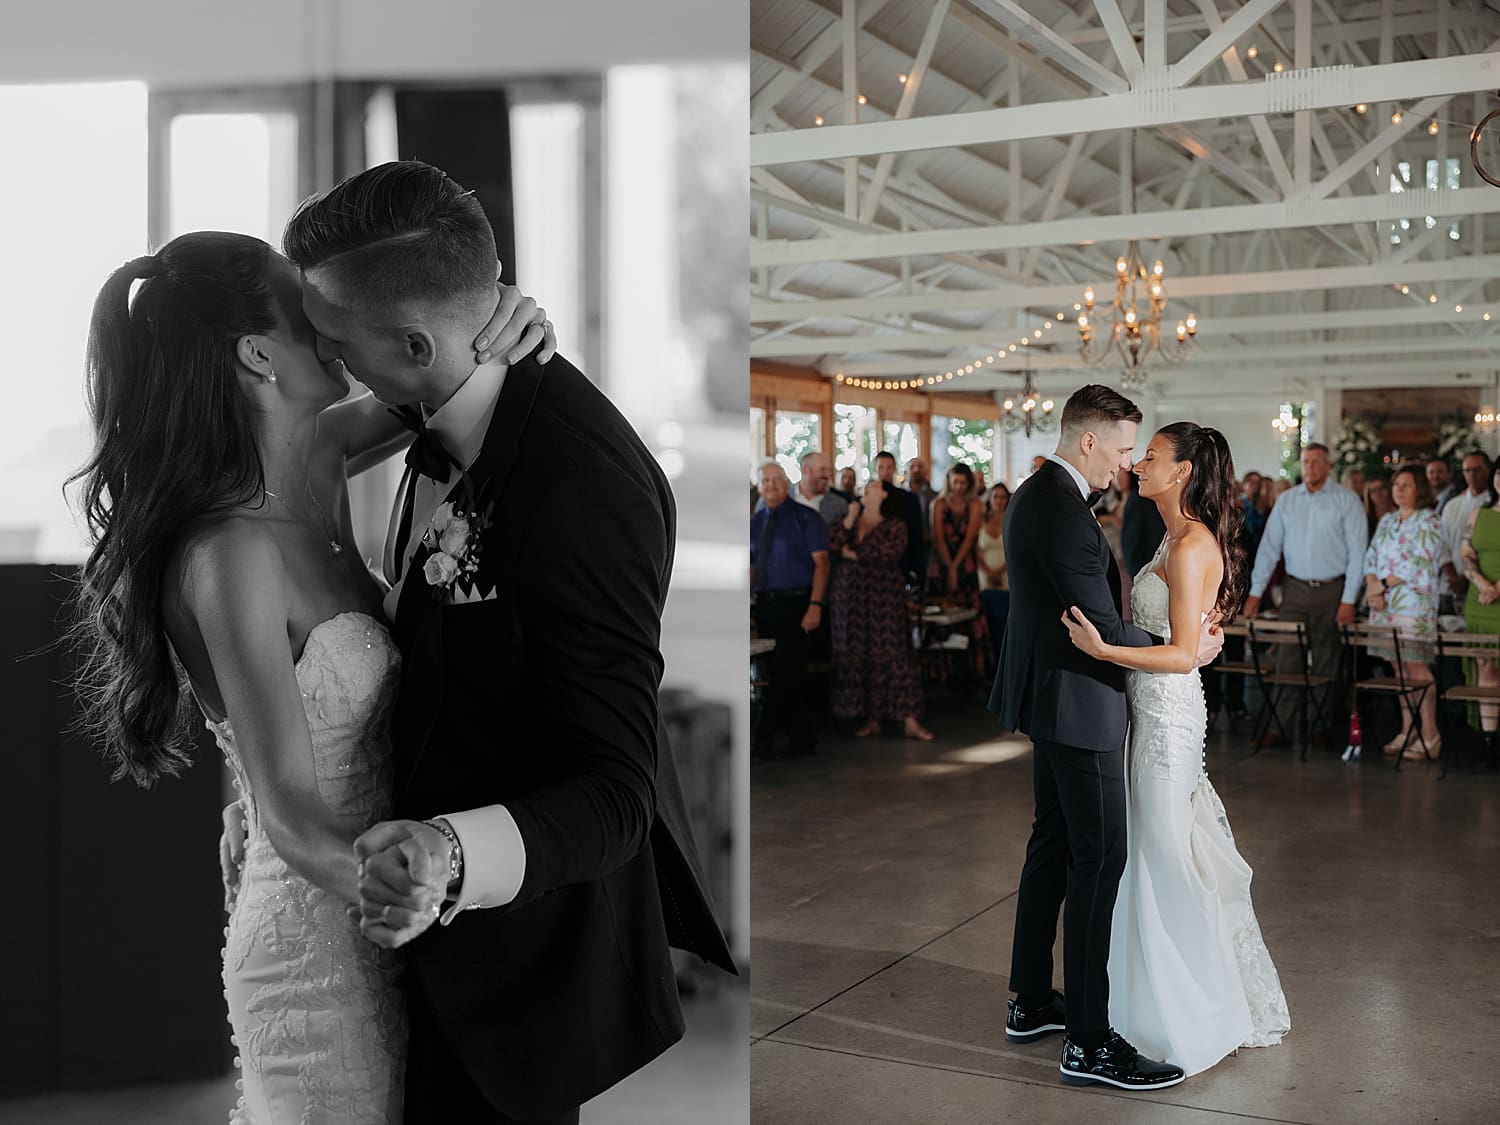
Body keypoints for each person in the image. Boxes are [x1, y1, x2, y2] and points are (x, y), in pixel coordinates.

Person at [67, 220, 578, 1122]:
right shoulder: (228, 553)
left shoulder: (321, 457)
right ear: (259, 353)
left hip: (391, 916)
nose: (328, 313)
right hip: (321, 946)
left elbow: (434, 358)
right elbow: (297, 819)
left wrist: (512, 315)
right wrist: (427, 886)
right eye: (304, 303)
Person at [289, 161, 734, 1123]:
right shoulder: (435, 396)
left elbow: (618, 791)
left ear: (414, 342)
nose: (329, 369)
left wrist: (450, 856)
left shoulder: (585, 486)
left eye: (336, 346)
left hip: (512, 974)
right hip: (403, 951)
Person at [990, 384, 1223, 1092]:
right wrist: (1184, 647)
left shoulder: (1038, 493)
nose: (1125, 464)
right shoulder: (1062, 511)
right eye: (1123, 448)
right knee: (1100, 859)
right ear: (1088, 439)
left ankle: (1031, 999)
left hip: (1051, 698)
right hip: (1080, 704)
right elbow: (1094, 628)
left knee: (1054, 842)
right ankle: (1089, 1040)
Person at [1061, 422, 1290, 1078]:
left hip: (1167, 718)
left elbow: (1185, 652)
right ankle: (1142, 1005)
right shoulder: (1171, 534)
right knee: (1145, 857)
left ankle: (1195, 1008)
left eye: (1152, 457)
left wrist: (1106, 649)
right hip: (1146, 709)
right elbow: (1182, 634)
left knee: (1163, 856)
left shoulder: (1190, 545)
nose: (1138, 465)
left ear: (1183, 471)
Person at [1243, 444, 1368, 747]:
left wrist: (1349, 599)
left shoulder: (1346, 500)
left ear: (1328, 465)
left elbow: (1358, 553)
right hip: (1295, 588)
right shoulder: (1287, 501)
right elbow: (1269, 548)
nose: (1309, 467)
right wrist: (1256, 592)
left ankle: (1319, 726)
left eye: (1315, 462)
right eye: (1306, 462)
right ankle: (1280, 726)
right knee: (1288, 657)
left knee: (1326, 660)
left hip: (1333, 589)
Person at [829, 479, 933, 741]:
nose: (866, 488)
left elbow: (886, 552)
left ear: (885, 494)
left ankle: (909, 719)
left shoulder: (895, 525)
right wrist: (850, 519)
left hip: (884, 600)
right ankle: (872, 718)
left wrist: (852, 554)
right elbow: (832, 542)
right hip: (852, 600)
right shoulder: (851, 520)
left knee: (895, 654)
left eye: (872, 486)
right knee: (862, 656)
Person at [751, 460, 830, 759]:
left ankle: (762, 740)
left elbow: (823, 564)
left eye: (777, 479)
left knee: (785, 674)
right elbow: (750, 568)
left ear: (787, 483)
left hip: (799, 604)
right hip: (766, 606)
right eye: (765, 480)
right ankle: (803, 738)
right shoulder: (754, 523)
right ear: (759, 486)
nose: (771, 485)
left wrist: (815, 606)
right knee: (783, 675)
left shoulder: (806, 518)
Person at [1363, 465, 1443, 758]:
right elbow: (1371, 556)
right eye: (1396, 484)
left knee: (1416, 667)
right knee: (1397, 667)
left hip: (1414, 605)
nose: (1398, 489)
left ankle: (1430, 733)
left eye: (1406, 485)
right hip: (1384, 606)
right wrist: (1373, 584)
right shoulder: (1386, 520)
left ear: (1419, 489)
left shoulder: (1430, 520)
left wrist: (1381, 584)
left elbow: (1419, 560)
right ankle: (1407, 729)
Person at [1459, 462, 1500, 756]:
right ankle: (1489, 740)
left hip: (1495, 595)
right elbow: (1465, 554)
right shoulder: (1479, 513)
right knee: (1486, 670)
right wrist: (1483, 584)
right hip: (1480, 602)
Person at [1439, 452, 1493, 612]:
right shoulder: (1452, 506)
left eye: (1477, 470)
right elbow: (1442, 545)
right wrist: (1453, 577)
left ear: (1488, 470)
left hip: (1484, 583)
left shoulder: (1494, 505)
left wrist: (1469, 578)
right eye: (1467, 470)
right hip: (1450, 584)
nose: (1472, 475)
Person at [930, 462, 983, 601]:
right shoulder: (938, 503)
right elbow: (939, 539)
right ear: (949, 481)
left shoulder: (975, 504)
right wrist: (949, 567)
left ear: (969, 483)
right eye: (955, 482)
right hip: (942, 557)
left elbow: (969, 539)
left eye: (963, 483)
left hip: (965, 557)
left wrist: (955, 566)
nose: (959, 487)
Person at [875, 450, 925, 586]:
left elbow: (916, 535)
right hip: (873, 566)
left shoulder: (909, 499)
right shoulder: (867, 499)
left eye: (889, 467)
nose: (885, 472)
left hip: (902, 564)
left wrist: (916, 569)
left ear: (895, 469)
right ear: (875, 470)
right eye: (881, 467)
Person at [978, 482, 1011, 669]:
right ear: (989, 499)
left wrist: (999, 571)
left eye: (1002, 497)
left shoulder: (1012, 518)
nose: (999, 501)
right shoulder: (981, 521)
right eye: (995, 497)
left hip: (1006, 577)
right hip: (985, 577)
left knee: (1005, 626)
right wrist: (987, 571)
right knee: (988, 626)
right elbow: (975, 551)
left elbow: (1016, 549)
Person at [795, 449, 849, 528]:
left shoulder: (839, 505)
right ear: (805, 470)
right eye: (822, 470)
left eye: (829, 470)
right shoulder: (784, 498)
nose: (827, 475)